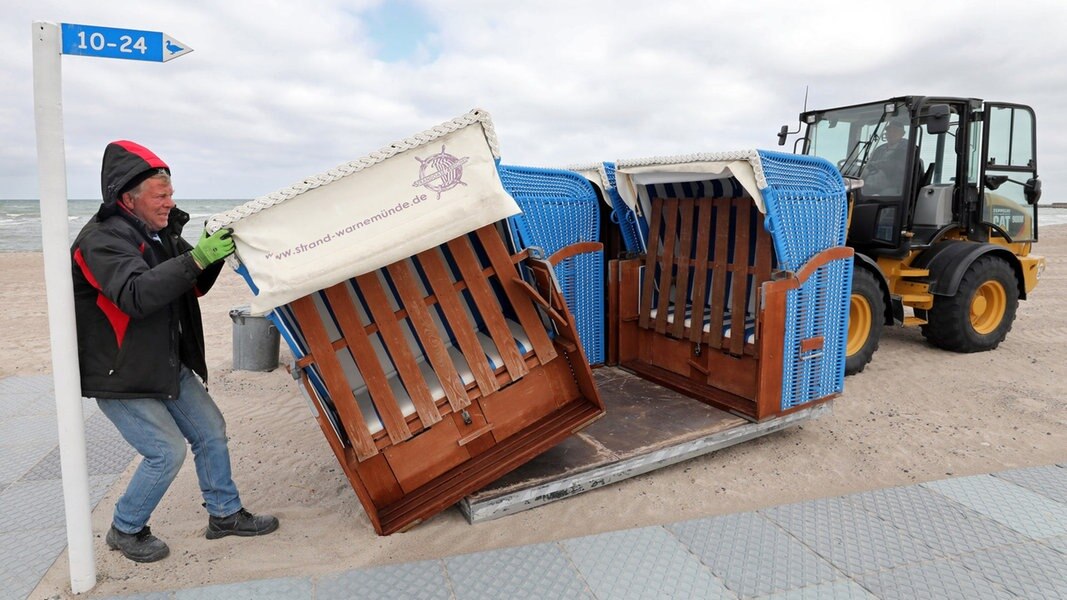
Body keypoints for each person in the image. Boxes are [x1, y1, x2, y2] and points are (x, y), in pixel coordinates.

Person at [70, 140, 279, 563]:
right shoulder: (99, 241)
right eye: (161, 195)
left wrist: (210, 254)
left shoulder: (158, 233)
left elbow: (193, 283)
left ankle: (224, 516)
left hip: (165, 362)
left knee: (211, 431)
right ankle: (125, 529)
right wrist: (196, 258)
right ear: (128, 198)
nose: (170, 202)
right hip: (120, 373)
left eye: (171, 193)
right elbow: (135, 295)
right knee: (166, 451)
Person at [864, 118, 909, 195]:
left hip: (894, 184)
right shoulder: (880, 149)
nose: (891, 133)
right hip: (875, 181)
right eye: (889, 131)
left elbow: (898, 166)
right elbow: (870, 163)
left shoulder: (907, 148)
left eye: (895, 131)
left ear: (902, 134)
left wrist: (877, 164)